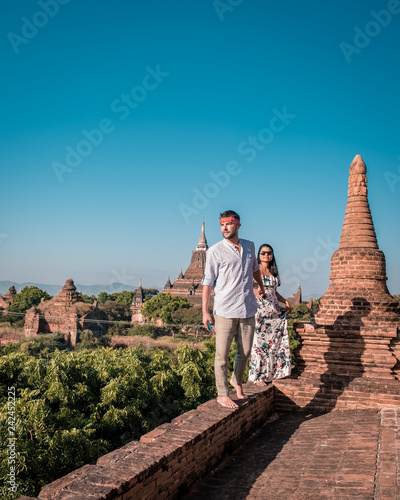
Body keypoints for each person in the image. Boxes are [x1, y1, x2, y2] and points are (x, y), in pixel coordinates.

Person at [202, 210, 266, 409]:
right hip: (225, 309)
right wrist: (205, 311)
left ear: (238, 225)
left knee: (245, 351)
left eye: (228, 224)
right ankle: (222, 394)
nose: (225, 228)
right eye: (222, 224)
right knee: (222, 355)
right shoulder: (214, 250)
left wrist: (260, 286)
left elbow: (255, 268)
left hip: (247, 307)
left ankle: (236, 380)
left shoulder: (249, 246)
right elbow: (207, 282)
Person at [248, 244, 292, 385]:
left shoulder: (274, 273)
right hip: (260, 311)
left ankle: (275, 373)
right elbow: (249, 289)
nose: (266, 255)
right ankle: (259, 376)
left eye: (269, 253)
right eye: (263, 253)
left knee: (274, 345)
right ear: (259, 255)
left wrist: (285, 301)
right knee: (260, 346)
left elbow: (273, 292)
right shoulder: (254, 271)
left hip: (274, 312)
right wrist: (257, 292)